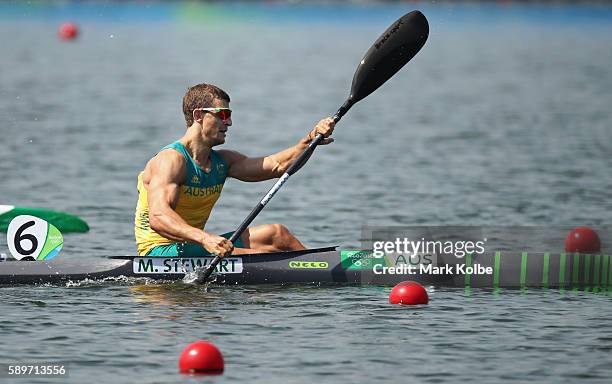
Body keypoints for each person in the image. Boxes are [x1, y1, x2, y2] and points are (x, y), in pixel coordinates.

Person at [134, 83, 335, 257]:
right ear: (198, 115)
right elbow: (159, 217)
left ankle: (320, 269)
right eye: (223, 114)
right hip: (160, 251)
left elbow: (278, 165)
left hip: (194, 244)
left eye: (229, 115)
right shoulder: (171, 160)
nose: (229, 122)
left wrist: (310, 140)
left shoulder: (223, 161)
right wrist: (205, 239)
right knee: (261, 255)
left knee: (277, 234)